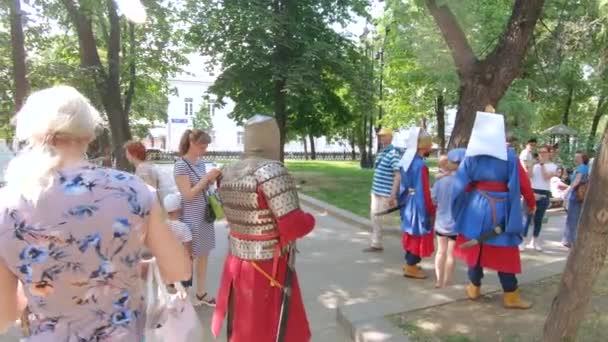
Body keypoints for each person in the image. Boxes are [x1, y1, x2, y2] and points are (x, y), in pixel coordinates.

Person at [0, 86, 190, 339]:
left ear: (30, 134)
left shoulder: (7, 203)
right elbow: (179, 270)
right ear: (89, 134)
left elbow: (4, 314)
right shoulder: (133, 190)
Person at [212, 115, 315, 342]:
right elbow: (293, 225)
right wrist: (311, 220)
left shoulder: (229, 171)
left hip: (238, 259)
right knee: (266, 326)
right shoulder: (272, 171)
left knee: (243, 321)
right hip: (268, 264)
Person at [452, 111, 536, 309]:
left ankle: (474, 287)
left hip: (474, 207)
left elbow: (459, 186)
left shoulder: (471, 156)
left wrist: (459, 209)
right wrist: (531, 203)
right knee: (504, 251)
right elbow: (523, 185)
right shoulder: (509, 156)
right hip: (499, 209)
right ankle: (510, 295)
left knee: (475, 247)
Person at [174, 129, 221, 306]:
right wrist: (206, 178)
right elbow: (187, 195)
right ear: (192, 143)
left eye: (207, 146)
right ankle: (183, 294)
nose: (205, 149)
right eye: (202, 146)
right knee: (189, 257)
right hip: (191, 217)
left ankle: (201, 292)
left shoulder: (200, 163)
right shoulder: (181, 165)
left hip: (205, 216)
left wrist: (211, 180)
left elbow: (201, 188)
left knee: (204, 255)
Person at [399, 127, 435, 279]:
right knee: (417, 234)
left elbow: (403, 187)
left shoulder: (407, 161)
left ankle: (410, 263)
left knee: (411, 232)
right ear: (424, 146)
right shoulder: (420, 165)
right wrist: (427, 210)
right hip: (416, 202)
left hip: (409, 201)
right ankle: (411, 266)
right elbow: (423, 191)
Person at [432, 148, 465, 288]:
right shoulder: (463, 183)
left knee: (440, 251)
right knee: (451, 254)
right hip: (455, 223)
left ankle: (438, 281)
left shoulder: (440, 181)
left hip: (441, 221)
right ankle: (447, 280)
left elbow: (434, 199)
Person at [364, 128, 401, 252]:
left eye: (384, 136)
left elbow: (397, 175)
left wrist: (392, 195)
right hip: (376, 191)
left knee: (384, 219)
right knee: (375, 217)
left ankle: (410, 244)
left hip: (385, 193)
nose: (381, 138)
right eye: (380, 136)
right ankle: (376, 243)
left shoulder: (393, 153)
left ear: (390, 137)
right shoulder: (382, 152)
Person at [521, 145, 558, 252]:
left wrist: (542, 165)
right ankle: (523, 241)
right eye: (540, 152)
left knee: (538, 219)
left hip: (544, 193)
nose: (541, 154)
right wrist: (532, 165)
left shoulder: (553, 166)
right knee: (526, 217)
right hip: (532, 192)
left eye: (544, 152)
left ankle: (535, 241)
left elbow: (546, 177)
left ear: (549, 153)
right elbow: (529, 176)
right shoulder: (535, 165)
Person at [562, 151, 590, 248]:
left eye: (577, 157)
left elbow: (576, 181)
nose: (575, 159)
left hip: (576, 194)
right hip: (578, 194)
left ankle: (570, 240)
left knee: (573, 217)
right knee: (574, 216)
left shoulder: (582, 167)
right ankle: (570, 239)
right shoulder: (581, 168)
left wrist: (567, 191)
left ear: (582, 158)